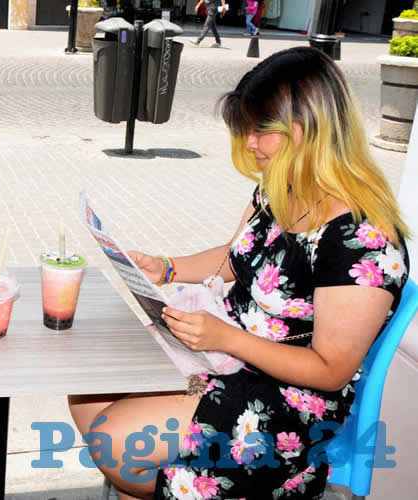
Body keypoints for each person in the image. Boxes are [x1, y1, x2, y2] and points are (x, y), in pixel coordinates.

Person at [68, 47, 410, 500]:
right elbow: (235, 259)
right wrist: (167, 267)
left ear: (309, 129)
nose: (249, 143)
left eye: (259, 130)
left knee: (115, 441)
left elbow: (330, 371)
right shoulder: (281, 188)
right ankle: (160, 485)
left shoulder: (362, 241)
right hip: (223, 352)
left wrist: (224, 339)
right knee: (83, 388)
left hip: (287, 398)